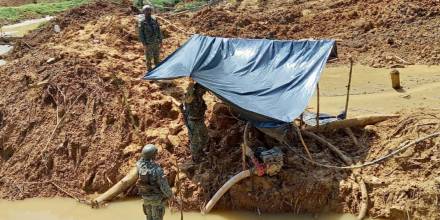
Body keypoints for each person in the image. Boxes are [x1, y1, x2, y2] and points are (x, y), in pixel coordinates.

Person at [137, 144, 172, 220]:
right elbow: (163, 186)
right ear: (153, 155)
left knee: (149, 218)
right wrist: (170, 195)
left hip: (145, 199)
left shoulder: (139, 165)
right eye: (155, 154)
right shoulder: (157, 169)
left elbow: (142, 159)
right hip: (156, 200)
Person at [182, 82, 209, 162]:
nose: (204, 92)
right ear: (197, 89)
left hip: (200, 120)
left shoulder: (199, 97)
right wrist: (190, 86)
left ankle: (200, 151)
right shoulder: (191, 97)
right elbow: (187, 99)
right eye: (202, 90)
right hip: (193, 122)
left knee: (205, 137)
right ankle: (195, 158)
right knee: (195, 141)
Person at [138, 5, 163, 71]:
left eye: (149, 10)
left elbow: (158, 30)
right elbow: (141, 35)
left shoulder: (154, 20)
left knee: (157, 59)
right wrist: (144, 44)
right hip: (148, 44)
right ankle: (150, 73)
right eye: (146, 10)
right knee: (149, 60)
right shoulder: (142, 22)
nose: (148, 12)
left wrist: (160, 40)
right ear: (143, 12)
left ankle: (157, 73)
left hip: (156, 43)